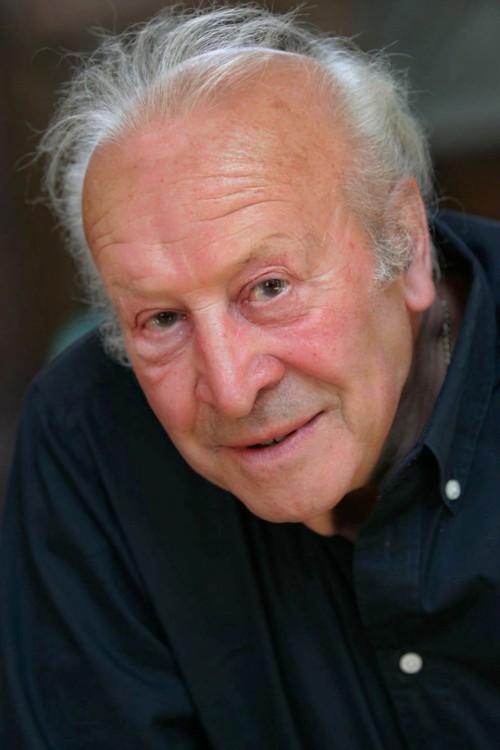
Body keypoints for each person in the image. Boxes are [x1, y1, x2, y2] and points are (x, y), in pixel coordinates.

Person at [1, 4, 499, 748]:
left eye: (268, 287)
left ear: (407, 246)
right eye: (161, 319)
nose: (233, 391)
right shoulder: (86, 441)